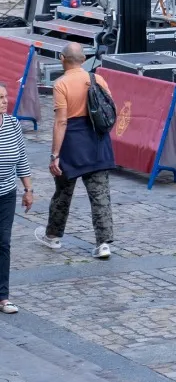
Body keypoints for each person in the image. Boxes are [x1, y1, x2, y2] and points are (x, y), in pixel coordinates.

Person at [35, 44, 115, 259]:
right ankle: (103, 243)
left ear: (62, 58)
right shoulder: (97, 79)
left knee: (63, 192)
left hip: (72, 144)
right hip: (97, 142)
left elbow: (61, 122)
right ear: (82, 59)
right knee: (100, 195)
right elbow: (109, 108)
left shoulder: (61, 84)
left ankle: (52, 236)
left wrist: (55, 154)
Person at [0, 84, 35, 314]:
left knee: (3, 242)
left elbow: (21, 157)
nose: (4, 101)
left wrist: (28, 189)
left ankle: (3, 296)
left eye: (4, 97)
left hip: (6, 193)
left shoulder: (12, 124)